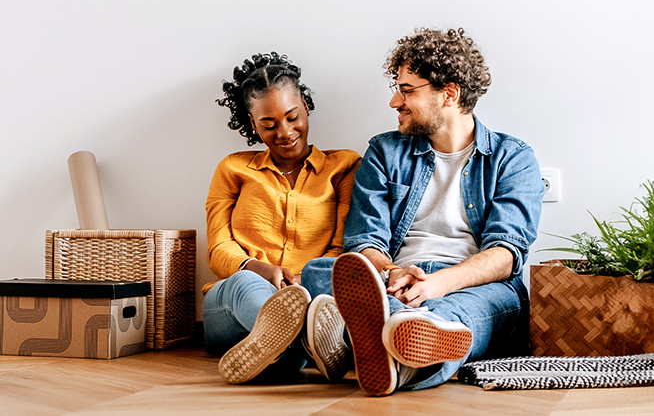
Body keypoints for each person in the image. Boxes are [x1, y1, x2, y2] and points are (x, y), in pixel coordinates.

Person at [306, 27, 544, 396]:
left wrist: (436, 285)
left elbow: (505, 255)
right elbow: (364, 240)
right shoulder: (385, 152)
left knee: (463, 316)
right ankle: (392, 342)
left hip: (471, 287)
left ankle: (378, 343)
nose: (394, 102)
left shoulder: (512, 158)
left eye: (407, 90)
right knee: (320, 270)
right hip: (394, 281)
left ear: (449, 94)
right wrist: (392, 273)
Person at [203, 52, 360, 385]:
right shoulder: (232, 168)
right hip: (231, 305)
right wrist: (259, 268)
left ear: (305, 104)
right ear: (251, 122)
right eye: (269, 125)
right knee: (247, 284)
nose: (285, 132)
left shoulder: (344, 166)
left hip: (311, 295)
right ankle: (305, 344)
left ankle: (285, 353)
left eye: (292, 117)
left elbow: (343, 246)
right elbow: (218, 249)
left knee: (311, 304)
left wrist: (304, 282)